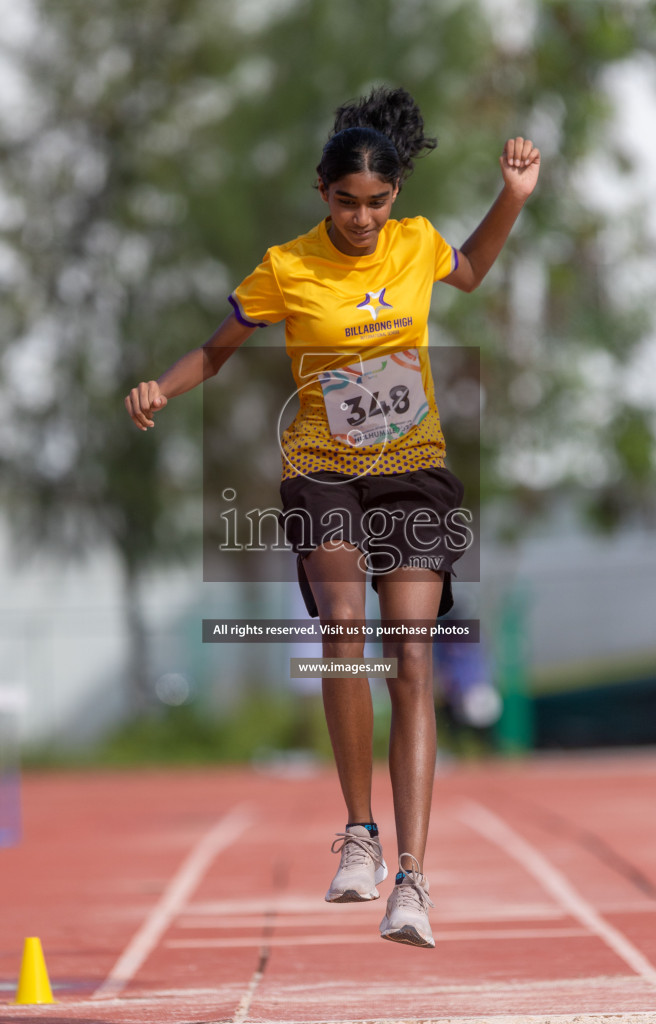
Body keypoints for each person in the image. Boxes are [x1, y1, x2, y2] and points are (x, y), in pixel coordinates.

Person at [125, 87, 540, 948]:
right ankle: (359, 834)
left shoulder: (415, 245)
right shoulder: (286, 267)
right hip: (322, 472)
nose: (361, 218)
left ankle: (414, 884)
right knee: (344, 630)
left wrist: (511, 199)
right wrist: (163, 387)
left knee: (412, 660)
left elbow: (467, 268)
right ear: (323, 194)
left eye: (377, 203)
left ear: (396, 199)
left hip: (412, 472)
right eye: (346, 203)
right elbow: (217, 347)